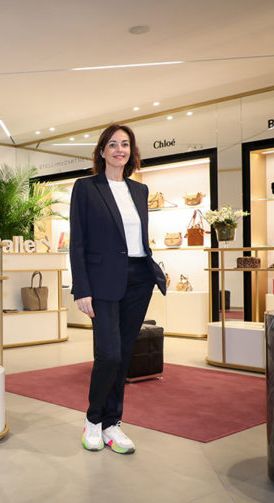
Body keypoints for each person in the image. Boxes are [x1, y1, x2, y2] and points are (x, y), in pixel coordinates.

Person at [69, 124, 166, 453]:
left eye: (125, 144)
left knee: (123, 356)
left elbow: (138, 238)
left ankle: (113, 424)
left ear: (131, 151)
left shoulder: (140, 190)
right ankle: (93, 420)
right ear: (102, 151)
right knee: (108, 355)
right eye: (112, 144)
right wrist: (81, 288)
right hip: (102, 282)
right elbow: (78, 242)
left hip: (139, 279)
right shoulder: (86, 188)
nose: (119, 150)